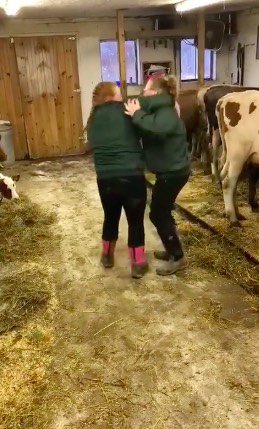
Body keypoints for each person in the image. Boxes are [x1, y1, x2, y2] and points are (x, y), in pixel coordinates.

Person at [124, 75, 191, 276]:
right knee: (162, 212)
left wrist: (136, 113)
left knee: (157, 214)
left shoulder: (166, 113)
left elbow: (156, 129)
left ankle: (177, 257)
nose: (142, 93)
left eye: (145, 90)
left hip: (174, 172)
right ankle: (172, 249)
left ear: (155, 92)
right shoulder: (162, 109)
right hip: (171, 170)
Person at [86, 82, 148, 279]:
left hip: (105, 179)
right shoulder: (127, 111)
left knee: (110, 216)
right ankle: (137, 263)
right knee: (135, 221)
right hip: (132, 176)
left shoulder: (92, 119)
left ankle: (107, 255)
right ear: (112, 96)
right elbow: (144, 132)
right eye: (118, 91)